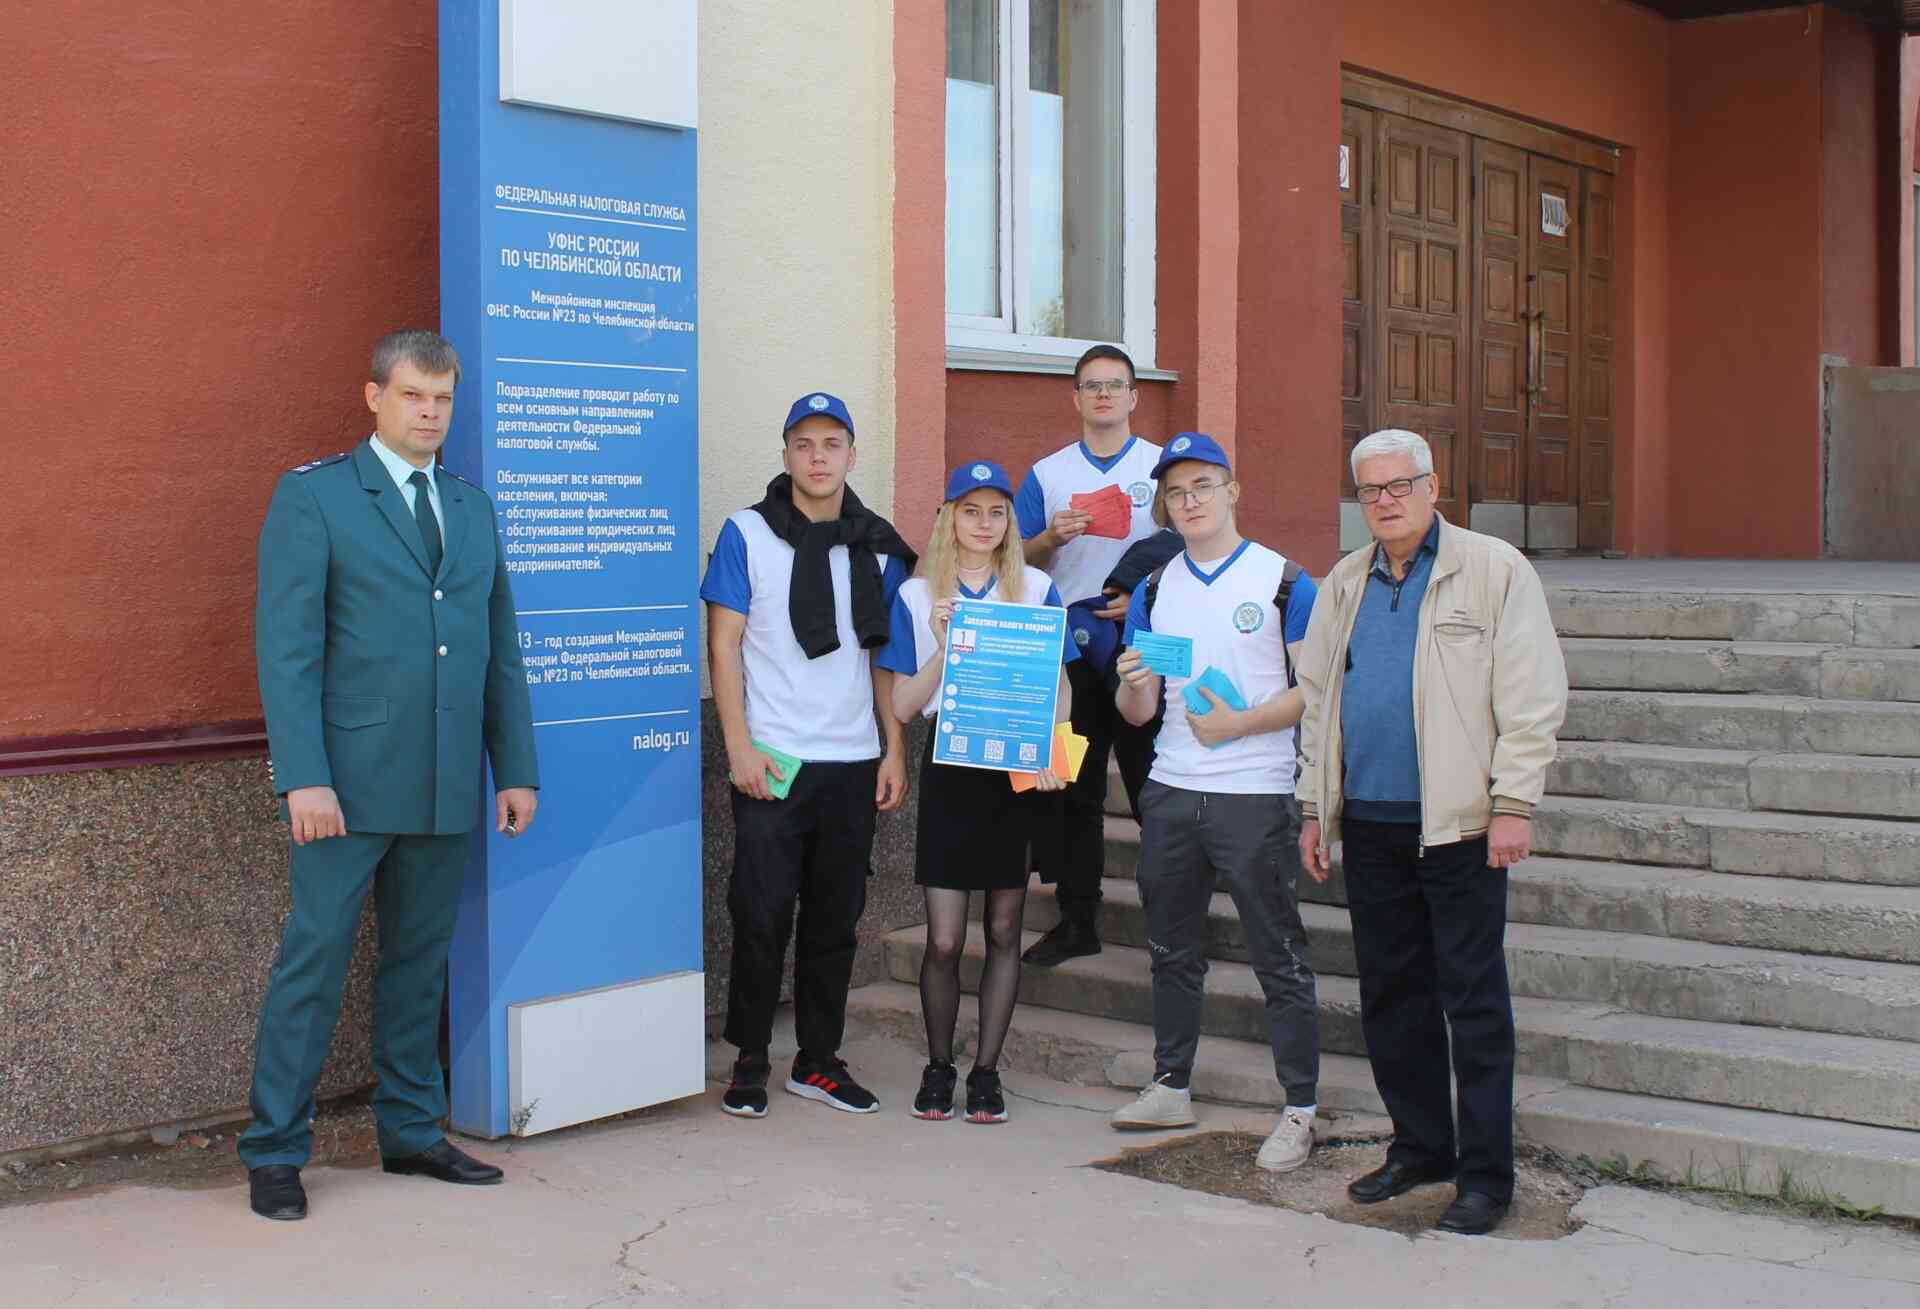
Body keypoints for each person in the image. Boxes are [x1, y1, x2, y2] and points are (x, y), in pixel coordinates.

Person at [240, 330, 540, 1221]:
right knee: (314, 961)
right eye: (413, 396)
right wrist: (304, 776)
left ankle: (410, 1131)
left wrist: (512, 767)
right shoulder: (318, 498)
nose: (430, 414)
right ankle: (274, 1150)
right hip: (346, 782)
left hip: (446, 778)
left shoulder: (470, 508)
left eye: (444, 399)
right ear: (374, 396)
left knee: (418, 965)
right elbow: (286, 649)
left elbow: (499, 654)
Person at [1295, 428, 1568, 1236]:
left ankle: (1486, 1176)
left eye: (1398, 485)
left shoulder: (1493, 570)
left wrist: (1514, 801)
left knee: (1473, 1002)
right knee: (1390, 997)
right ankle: (1421, 1145)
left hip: (1460, 827)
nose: (1384, 500)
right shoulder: (1345, 579)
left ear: (1432, 484)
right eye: (1370, 490)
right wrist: (1316, 808)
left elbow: (1532, 694)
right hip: (1372, 824)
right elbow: (1317, 700)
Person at [1108, 433, 1322, 1175]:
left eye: (1203, 485)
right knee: (1171, 948)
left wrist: (1240, 724)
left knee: (1278, 953)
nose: (1190, 500)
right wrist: (1133, 681)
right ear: (1164, 505)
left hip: (1255, 793)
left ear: (1234, 491)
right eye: (1176, 491)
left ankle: (1300, 1106)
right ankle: (1171, 1081)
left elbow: (1316, 691)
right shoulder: (1155, 588)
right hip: (1170, 786)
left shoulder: (1286, 581)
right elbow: (1136, 712)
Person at [700, 391, 914, 1119]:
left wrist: (893, 747)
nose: (818, 457)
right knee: (760, 912)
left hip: (853, 760)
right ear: (786, 453)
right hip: (775, 759)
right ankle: (751, 1056)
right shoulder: (747, 533)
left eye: (832, 443)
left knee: (836, 915)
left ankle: (819, 1059)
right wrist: (738, 745)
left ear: (852, 455)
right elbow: (724, 645)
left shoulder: (879, 545)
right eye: (804, 443)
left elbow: (883, 657)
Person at [877, 460, 1074, 1124]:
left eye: (997, 512)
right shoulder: (915, 594)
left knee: (1005, 928)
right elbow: (902, 704)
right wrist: (942, 644)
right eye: (970, 510)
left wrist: (1057, 743)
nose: (984, 523)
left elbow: (1062, 685)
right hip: (951, 768)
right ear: (947, 517)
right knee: (943, 938)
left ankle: (986, 1072)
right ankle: (939, 1065)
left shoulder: (1037, 586)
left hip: (1015, 770)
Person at [1015, 345, 1163, 966]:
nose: (1103, 395)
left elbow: (1195, 547)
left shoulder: (1163, 467)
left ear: (1134, 397)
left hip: (1151, 641)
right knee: (1072, 785)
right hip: (1067, 644)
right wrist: (1051, 536)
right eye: (1091, 385)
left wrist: (1143, 596)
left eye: (1116, 385)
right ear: (1075, 398)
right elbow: (1013, 563)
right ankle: (1079, 919)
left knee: (1158, 783)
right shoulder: (1047, 473)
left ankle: (1170, 923)